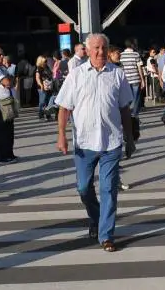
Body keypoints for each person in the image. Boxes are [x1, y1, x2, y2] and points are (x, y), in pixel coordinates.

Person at [56, 33, 135, 252]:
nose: (100, 52)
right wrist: (61, 135)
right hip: (84, 143)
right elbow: (64, 108)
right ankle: (96, 216)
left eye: (104, 48)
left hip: (111, 142)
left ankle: (106, 235)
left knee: (109, 188)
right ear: (88, 50)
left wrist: (129, 138)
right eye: (96, 48)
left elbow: (124, 109)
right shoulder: (76, 75)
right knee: (83, 188)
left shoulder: (117, 75)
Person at [120, 39, 145, 119]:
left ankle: (128, 113)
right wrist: (142, 80)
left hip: (125, 80)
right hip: (135, 79)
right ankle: (134, 115)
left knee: (127, 97)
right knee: (136, 98)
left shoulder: (121, 55)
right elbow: (139, 68)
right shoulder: (136, 54)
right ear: (132, 45)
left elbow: (121, 68)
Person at [35, 55, 53, 119]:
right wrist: (41, 85)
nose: (46, 62)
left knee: (48, 101)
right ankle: (41, 114)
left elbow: (51, 74)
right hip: (42, 87)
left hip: (48, 86)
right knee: (42, 101)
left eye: (46, 61)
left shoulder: (47, 67)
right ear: (41, 61)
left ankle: (48, 115)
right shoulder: (39, 68)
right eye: (45, 61)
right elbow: (37, 78)